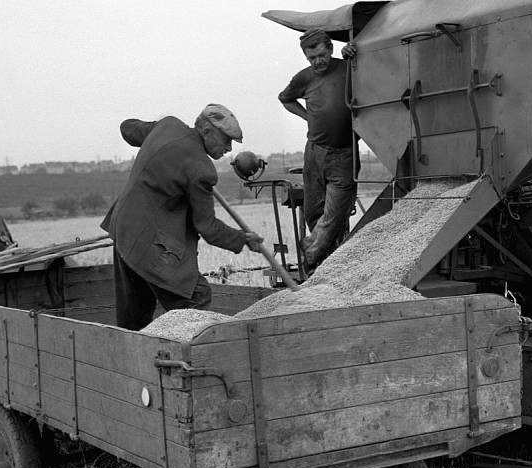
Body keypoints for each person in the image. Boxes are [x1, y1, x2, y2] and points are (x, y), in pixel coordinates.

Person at [101, 104, 262, 331]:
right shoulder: (201, 169)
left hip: (123, 230)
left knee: (134, 319)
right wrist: (243, 239)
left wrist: (153, 134)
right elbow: (208, 228)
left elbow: (128, 129)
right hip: (149, 244)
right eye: (225, 140)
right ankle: (191, 358)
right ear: (206, 132)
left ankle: (134, 359)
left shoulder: (168, 126)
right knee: (196, 296)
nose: (228, 148)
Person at [278, 29, 358, 269]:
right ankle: (331, 264)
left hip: (345, 153)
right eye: (312, 58)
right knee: (314, 212)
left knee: (335, 214)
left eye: (322, 55)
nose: (318, 61)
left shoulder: (349, 68)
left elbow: (372, 65)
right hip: (314, 151)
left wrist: (353, 53)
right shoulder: (304, 78)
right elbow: (286, 98)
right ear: (305, 56)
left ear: (331, 49)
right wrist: (308, 117)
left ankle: (311, 254)